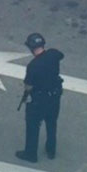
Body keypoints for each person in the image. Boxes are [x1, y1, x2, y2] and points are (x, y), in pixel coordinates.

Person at [16, 33, 64, 163]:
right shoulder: (53, 54)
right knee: (51, 123)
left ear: (31, 48)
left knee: (33, 125)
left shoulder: (33, 66)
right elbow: (61, 55)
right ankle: (51, 150)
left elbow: (28, 86)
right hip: (54, 96)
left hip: (40, 100)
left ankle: (30, 153)